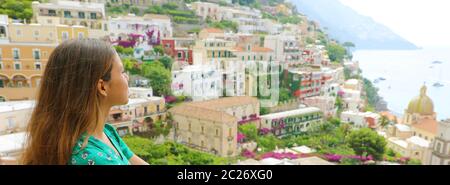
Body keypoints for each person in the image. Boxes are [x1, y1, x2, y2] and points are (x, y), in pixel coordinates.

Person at [22, 39, 149, 165]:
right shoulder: (94, 158)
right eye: (121, 72)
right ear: (102, 87)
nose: (126, 77)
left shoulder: (105, 132)